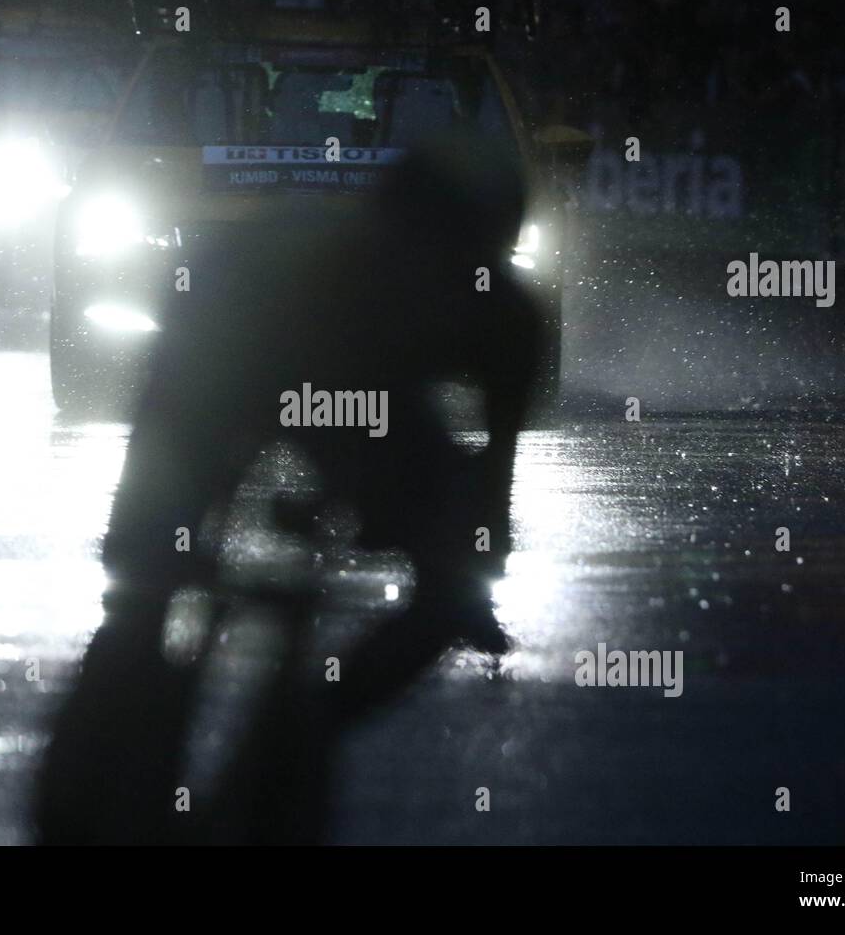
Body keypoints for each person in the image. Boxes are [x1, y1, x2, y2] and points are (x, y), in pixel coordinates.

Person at [36, 130, 548, 843]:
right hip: (228, 342)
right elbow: (185, 415)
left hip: (359, 389)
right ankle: (105, 752)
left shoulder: (511, 324)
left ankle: (297, 731)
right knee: (145, 567)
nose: (422, 275)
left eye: (453, 265)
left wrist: (458, 583)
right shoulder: (294, 269)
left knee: (449, 586)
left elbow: (491, 491)